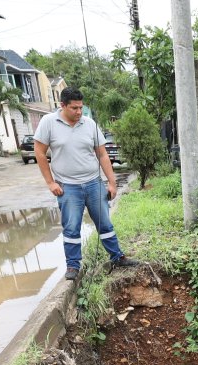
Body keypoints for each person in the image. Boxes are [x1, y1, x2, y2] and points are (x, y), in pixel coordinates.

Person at [34, 87, 139, 280]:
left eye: (81, 107)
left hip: (93, 183)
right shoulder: (48, 122)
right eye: (74, 108)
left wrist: (112, 183)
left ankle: (117, 257)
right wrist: (50, 183)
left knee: (105, 223)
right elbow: (40, 153)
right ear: (62, 105)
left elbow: (102, 154)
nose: (79, 112)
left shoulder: (89, 124)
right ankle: (73, 266)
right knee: (71, 227)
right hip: (68, 187)